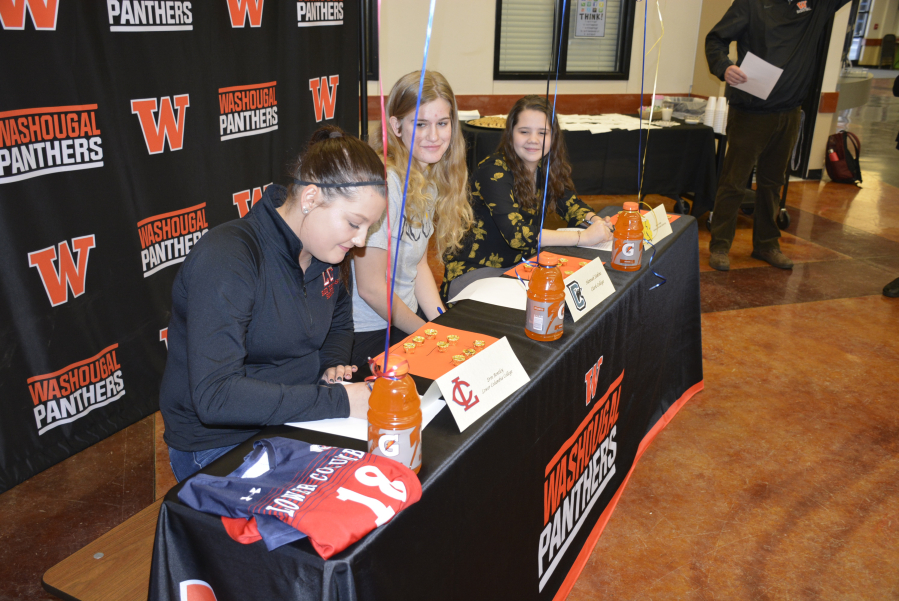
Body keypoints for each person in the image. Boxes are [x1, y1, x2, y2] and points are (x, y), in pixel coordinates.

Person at [160, 126, 387, 482]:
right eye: (354, 224)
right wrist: (341, 402)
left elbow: (340, 315)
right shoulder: (229, 256)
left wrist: (332, 362)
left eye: (368, 229)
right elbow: (216, 396)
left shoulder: (324, 250)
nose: (359, 242)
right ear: (311, 198)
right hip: (220, 444)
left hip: (297, 419)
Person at [705, 0, 850, 272]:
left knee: (773, 183)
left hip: (790, 111)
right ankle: (720, 245)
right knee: (734, 181)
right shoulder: (752, 4)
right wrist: (724, 66)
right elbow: (715, 39)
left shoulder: (818, 6)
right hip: (750, 110)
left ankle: (767, 244)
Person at [351, 71, 472, 371]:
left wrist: (442, 322)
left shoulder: (425, 177)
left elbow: (416, 263)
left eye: (442, 124)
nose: (434, 136)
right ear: (396, 126)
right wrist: (426, 333)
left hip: (403, 319)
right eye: (420, 124)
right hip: (369, 332)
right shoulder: (385, 182)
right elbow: (370, 288)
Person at [441, 95, 612, 301]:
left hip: (520, 267)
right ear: (510, 133)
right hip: (474, 275)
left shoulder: (545, 169)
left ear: (553, 137)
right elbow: (517, 234)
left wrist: (597, 223)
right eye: (524, 132)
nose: (534, 140)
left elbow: (571, 205)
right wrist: (583, 237)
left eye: (543, 133)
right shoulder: (493, 170)